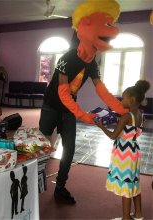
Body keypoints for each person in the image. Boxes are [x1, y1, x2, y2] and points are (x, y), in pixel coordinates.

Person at [39, 0, 127, 204]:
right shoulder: (67, 58)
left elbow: (100, 88)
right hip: (51, 106)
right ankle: (34, 180)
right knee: (41, 145)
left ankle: (60, 187)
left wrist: (120, 108)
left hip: (68, 110)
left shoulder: (92, 62)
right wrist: (82, 114)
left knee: (69, 149)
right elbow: (62, 92)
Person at [95, 80, 150, 220]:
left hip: (124, 154)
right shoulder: (139, 114)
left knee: (125, 186)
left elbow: (113, 136)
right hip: (134, 151)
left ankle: (126, 218)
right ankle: (138, 214)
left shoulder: (126, 117)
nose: (122, 99)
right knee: (134, 182)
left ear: (131, 100)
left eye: (124, 97)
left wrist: (101, 126)